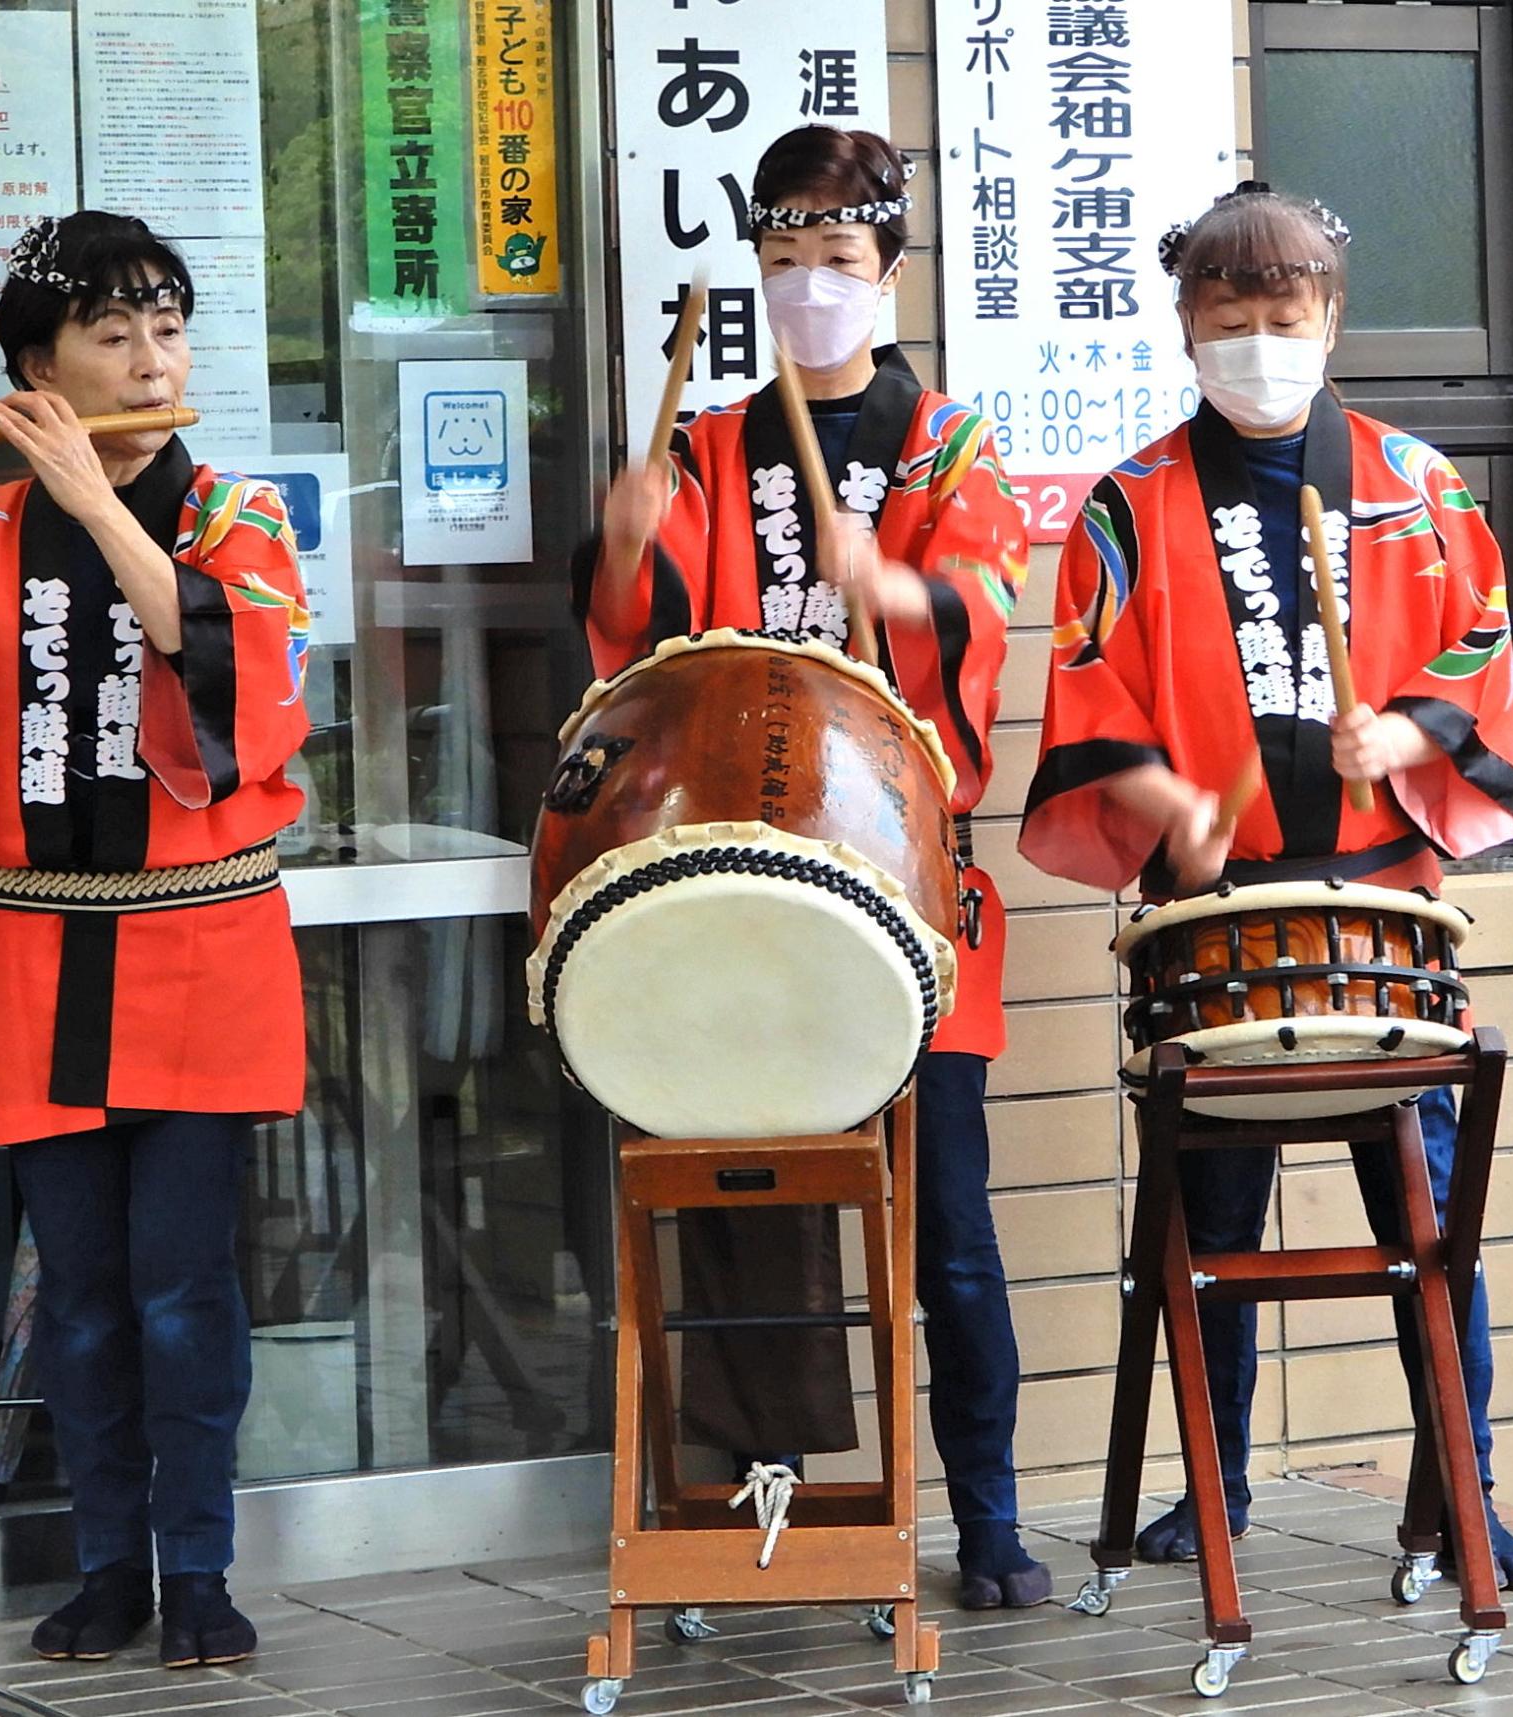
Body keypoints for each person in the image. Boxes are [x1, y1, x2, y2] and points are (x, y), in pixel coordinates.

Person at [1018, 182, 1513, 1589]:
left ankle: (1464, 1493)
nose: (1258, 340)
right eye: (1228, 318)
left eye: (1283, 316)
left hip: (1380, 911)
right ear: (1187, 327)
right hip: (1222, 914)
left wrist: (1412, 727)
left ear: (1332, 320)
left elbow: (1480, 641)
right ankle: (1215, 1482)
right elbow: (1085, 688)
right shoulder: (1129, 508)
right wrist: (1165, 802)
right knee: (1209, 1230)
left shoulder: (1416, 485)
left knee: (1429, 1229)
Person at [0, 212, 311, 1664]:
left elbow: (248, 684)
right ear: (35, 368)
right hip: (38, 956)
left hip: (204, 950)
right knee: (81, 1288)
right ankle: (106, 1561)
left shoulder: (239, 512)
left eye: (167, 328)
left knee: (185, 1280)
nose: (152, 357)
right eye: (113, 334)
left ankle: (202, 1564)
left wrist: (103, 505)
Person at [576, 124, 1048, 1609]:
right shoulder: (713, 443)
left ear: (891, 268)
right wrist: (630, 545)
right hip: (746, 885)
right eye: (783, 262)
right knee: (741, 1213)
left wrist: (887, 578)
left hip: (909, 885)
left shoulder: (945, 445)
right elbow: (649, 655)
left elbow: (980, 597)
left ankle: (990, 1519)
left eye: (837, 259)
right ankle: (740, 1514)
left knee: (947, 1233)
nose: (809, 286)